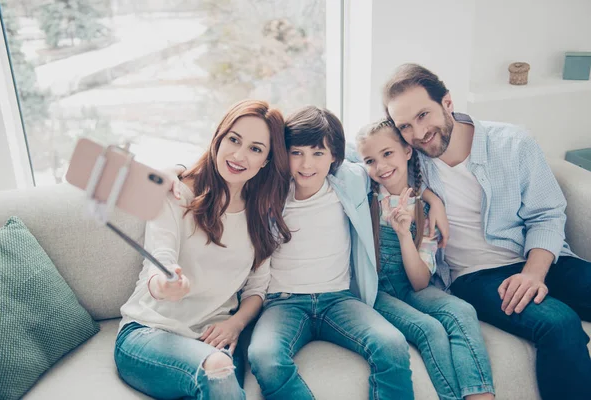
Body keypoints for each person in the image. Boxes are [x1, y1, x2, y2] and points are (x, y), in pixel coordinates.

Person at [382, 63, 591, 400]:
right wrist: (431, 199)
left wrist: (534, 273)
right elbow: (352, 153)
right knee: (558, 323)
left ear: (447, 103)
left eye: (423, 115)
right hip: (474, 276)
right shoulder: (408, 160)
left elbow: (548, 215)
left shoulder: (512, 143)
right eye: (405, 126)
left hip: (535, 254)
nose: (418, 133)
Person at [114, 99, 292, 400]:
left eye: (255, 148)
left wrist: (235, 324)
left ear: (266, 161)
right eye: (234, 140)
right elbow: (159, 262)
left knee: (219, 374)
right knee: (219, 369)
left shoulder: (261, 215)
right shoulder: (176, 193)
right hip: (148, 332)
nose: (239, 155)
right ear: (218, 138)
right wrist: (166, 285)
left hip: (213, 340)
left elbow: (256, 290)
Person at [246, 106, 416, 400]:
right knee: (265, 357)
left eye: (318, 153)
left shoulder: (349, 180)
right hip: (283, 303)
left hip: (338, 299)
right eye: (296, 152)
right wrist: (179, 171)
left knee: (392, 344)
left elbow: (368, 153)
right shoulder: (270, 191)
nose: (306, 164)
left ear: (334, 156)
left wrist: (430, 198)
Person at [356, 118, 495, 400]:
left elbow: (420, 283)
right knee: (430, 329)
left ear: (408, 151)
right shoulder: (363, 194)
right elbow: (339, 159)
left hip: (411, 285)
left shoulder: (425, 209)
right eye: (370, 160)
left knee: (463, 311)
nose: (380, 167)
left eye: (388, 154)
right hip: (375, 292)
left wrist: (407, 233)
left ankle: (480, 396)